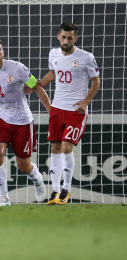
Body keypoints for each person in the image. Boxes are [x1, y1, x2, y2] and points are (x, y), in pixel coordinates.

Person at [0, 37, 51, 206]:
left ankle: (38, 179)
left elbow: (37, 86)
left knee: (23, 166)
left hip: (22, 121)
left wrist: (51, 110)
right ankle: (4, 198)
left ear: (2, 52)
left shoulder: (17, 68)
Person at [38, 22, 100, 205]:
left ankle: (67, 188)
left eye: (70, 38)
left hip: (76, 110)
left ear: (76, 39)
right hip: (57, 108)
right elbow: (53, 73)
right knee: (55, 149)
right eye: (63, 37)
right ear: (59, 37)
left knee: (66, 148)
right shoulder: (53, 53)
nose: (66, 41)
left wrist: (85, 101)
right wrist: (38, 84)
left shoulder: (86, 57)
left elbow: (96, 82)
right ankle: (55, 191)